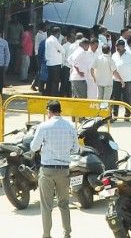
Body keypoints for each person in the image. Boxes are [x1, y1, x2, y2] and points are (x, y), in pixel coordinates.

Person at [30, 100, 79, 238]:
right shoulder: (70, 126)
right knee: (64, 204)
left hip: (47, 171)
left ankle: (46, 235)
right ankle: (67, 234)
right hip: (63, 171)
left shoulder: (44, 126)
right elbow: (76, 148)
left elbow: (34, 147)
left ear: (49, 111)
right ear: (60, 111)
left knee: (46, 206)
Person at [111, 39, 131, 119]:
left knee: (127, 97)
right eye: (116, 46)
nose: (117, 48)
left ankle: (127, 114)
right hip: (116, 80)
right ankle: (115, 114)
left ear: (123, 46)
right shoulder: (114, 55)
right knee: (116, 97)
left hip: (127, 80)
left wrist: (129, 72)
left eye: (119, 46)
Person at [44, 27, 64, 97]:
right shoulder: (54, 40)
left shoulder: (48, 39)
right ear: (58, 33)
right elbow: (63, 50)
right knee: (55, 82)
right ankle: (54, 95)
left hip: (50, 63)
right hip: (55, 63)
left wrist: (58, 51)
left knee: (49, 80)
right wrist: (59, 50)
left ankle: (48, 94)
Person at [0, 31, 8, 95]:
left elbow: (7, 54)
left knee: (0, 81)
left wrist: (6, 64)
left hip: (1, 65)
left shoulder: (4, 42)